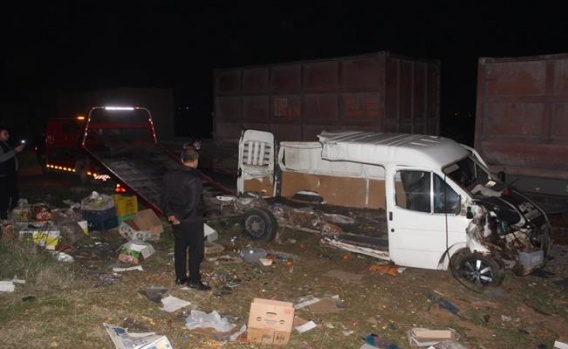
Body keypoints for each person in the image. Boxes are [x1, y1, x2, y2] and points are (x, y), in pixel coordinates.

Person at [160, 146, 211, 290]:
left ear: (182, 160)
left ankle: (180, 277)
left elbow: (163, 198)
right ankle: (194, 280)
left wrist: (170, 215)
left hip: (176, 218)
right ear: (196, 161)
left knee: (180, 247)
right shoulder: (194, 178)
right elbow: (192, 204)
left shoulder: (169, 175)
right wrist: (179, 217)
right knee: (196, 250)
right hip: (191, 219)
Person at [0, 127, 25, 220]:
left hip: (9, 176)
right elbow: (1, 158)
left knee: (13, 196)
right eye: (5, 134)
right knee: (4, 198)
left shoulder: (4, 144)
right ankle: (3, 217)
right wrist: (15, 151)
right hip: (3, 177)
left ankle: (11, 215)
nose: (8, 135)